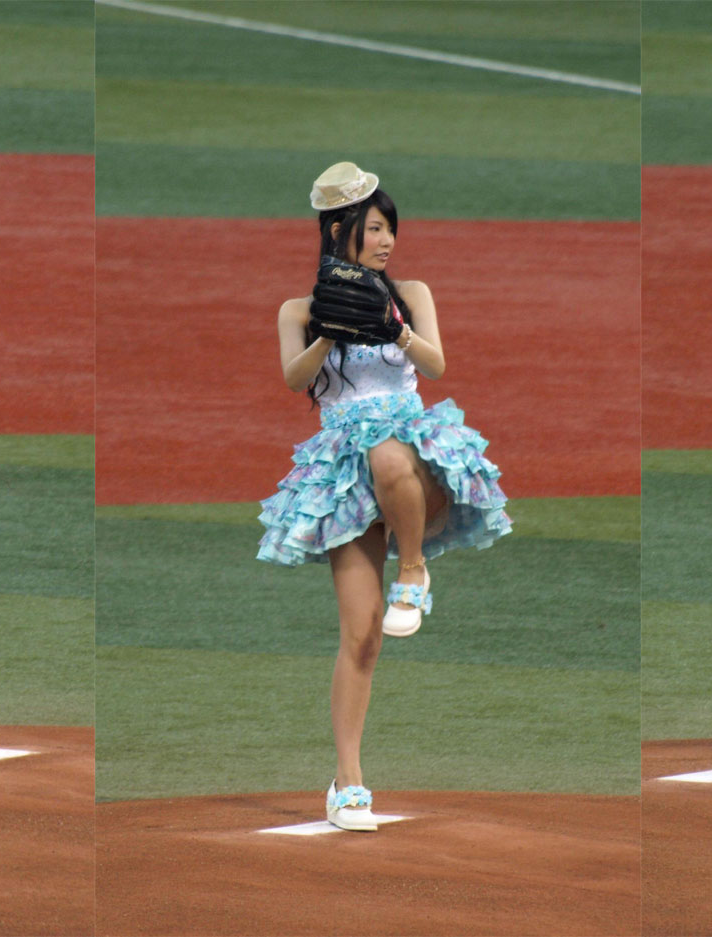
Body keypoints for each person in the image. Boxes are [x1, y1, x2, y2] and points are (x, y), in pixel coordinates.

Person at [257, 162, 513, 830]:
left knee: (390, 454)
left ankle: (415, 569)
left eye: (389, 229)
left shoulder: (412, 294)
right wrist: (329, 332)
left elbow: (435, 364)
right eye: (373, 229)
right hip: (341, 474)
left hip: (413, 455)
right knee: (363, 634)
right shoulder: (297, 311)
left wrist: (393, 326)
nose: (386, 241)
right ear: (337, 232)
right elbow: (294, 380)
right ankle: (347, 782)